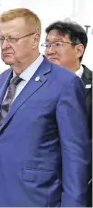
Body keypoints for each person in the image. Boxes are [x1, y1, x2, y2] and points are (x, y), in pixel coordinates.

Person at [0, 8, 90, 206]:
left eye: (13, 39)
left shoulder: (64, 82)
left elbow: (75, 156)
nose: (5, 46)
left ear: (34, 40)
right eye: (2, 39)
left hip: (37, 199)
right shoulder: (1, 80)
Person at [43, 20, 92, 207]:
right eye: (47, 45)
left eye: (57, 44)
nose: (49, 51)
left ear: (79, 50)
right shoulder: (38, 86)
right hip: (42, 186)